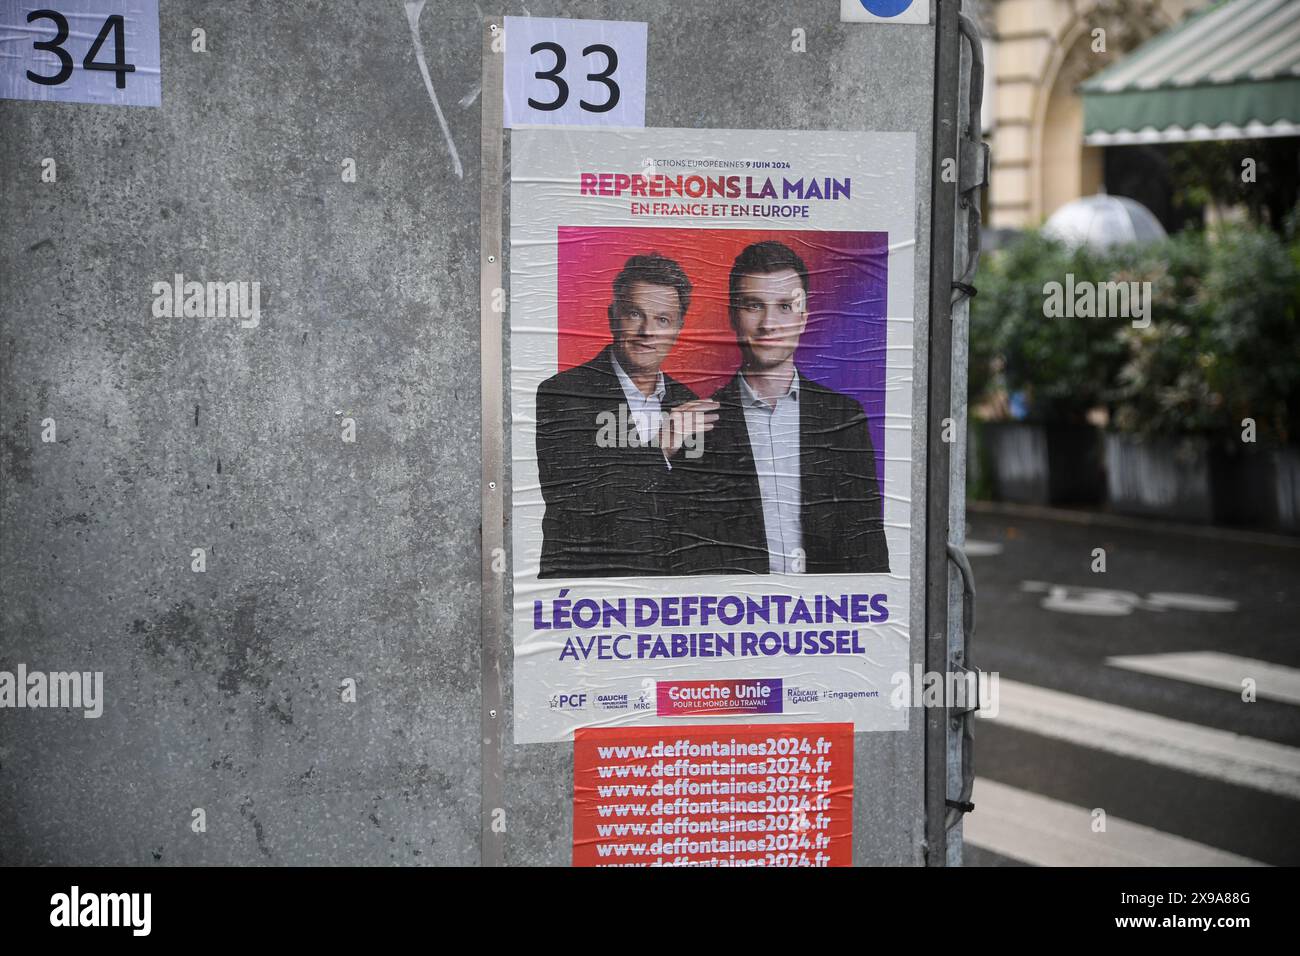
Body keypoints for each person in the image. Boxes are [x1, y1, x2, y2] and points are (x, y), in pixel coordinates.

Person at [671, 240, 888, 575]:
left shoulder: (845, 417)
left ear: (804, 318)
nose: (769, 324)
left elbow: (867, 545)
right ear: (732, 316)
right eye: (753, 305)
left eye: (785, 306)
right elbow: (680, 551)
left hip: (824, 617)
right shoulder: (696, 425)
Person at [536, 253, 718, 577]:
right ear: (612, 316)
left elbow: (701, 519)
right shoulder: (561, 394)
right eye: (636, 313)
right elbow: (577, 504)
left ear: (678, 329)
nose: (647, 331)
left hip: (672, 598)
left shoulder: (689, 403)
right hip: (588, 597)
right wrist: (660, 447)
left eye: (663, 320)